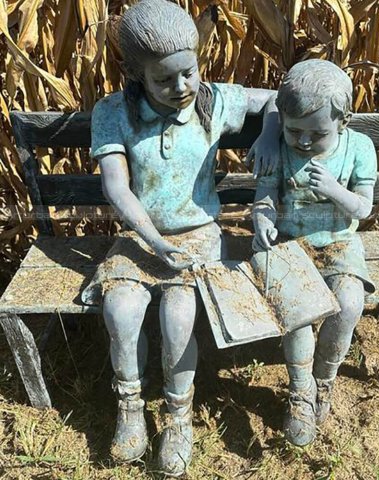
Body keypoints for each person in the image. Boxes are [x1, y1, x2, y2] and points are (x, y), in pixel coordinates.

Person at [81, 0, 279, 475]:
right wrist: (151, 239)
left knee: (178, 316)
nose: (180, 87)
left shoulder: (214, 99)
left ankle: (177, 415)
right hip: (139, 236)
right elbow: (116, 187)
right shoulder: (113, 113)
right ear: (136, 73)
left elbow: (277, 97)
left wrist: (270, 134)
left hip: (199, 234)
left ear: (197, 58)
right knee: (121, 309)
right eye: (163, 80)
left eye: (187, 72)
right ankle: (129, 407)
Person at [252, 59, 377, 447]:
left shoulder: (358, 147)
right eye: (295, 132)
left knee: (349, 303)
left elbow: (364, 208)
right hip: (290, 243)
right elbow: (265, 196)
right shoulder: (280, 147)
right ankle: (301, 392)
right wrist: (263, 220)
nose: (304, 142)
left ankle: (325, 379)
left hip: (339, 241)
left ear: (344, 122)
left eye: (316, 134)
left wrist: (335, 191)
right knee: (300, 313)